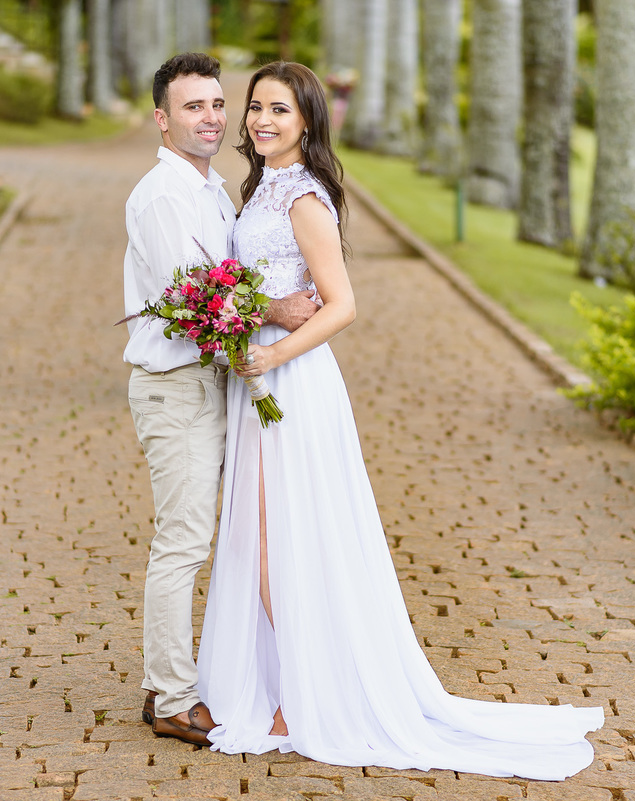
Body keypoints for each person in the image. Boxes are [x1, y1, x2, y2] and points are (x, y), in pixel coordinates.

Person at [195, 62, 605, 779]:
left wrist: (272, 353)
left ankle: (302, 689)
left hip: (291, 383)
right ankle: (293, 680)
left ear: (308, 123)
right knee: (263, 533)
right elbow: (262, 287)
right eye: (256, 107)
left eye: (280, 111)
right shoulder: (260, 188)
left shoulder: (304, 199)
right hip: (260, 376)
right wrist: (248, 320)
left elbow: (343, 304)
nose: (262, 120)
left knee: (273, 534)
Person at [122, 54, 318, 747]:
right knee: (184, 541)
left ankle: (171, 677)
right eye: (191, 107)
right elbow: (195, 301)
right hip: (176, 385)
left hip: (220, 384)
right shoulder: (164, 195)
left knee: (223, 534)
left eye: (214, 104)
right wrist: (279, 309)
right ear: (161, 119)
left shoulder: (212, 187)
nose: (209, 118)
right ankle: (173, 696)